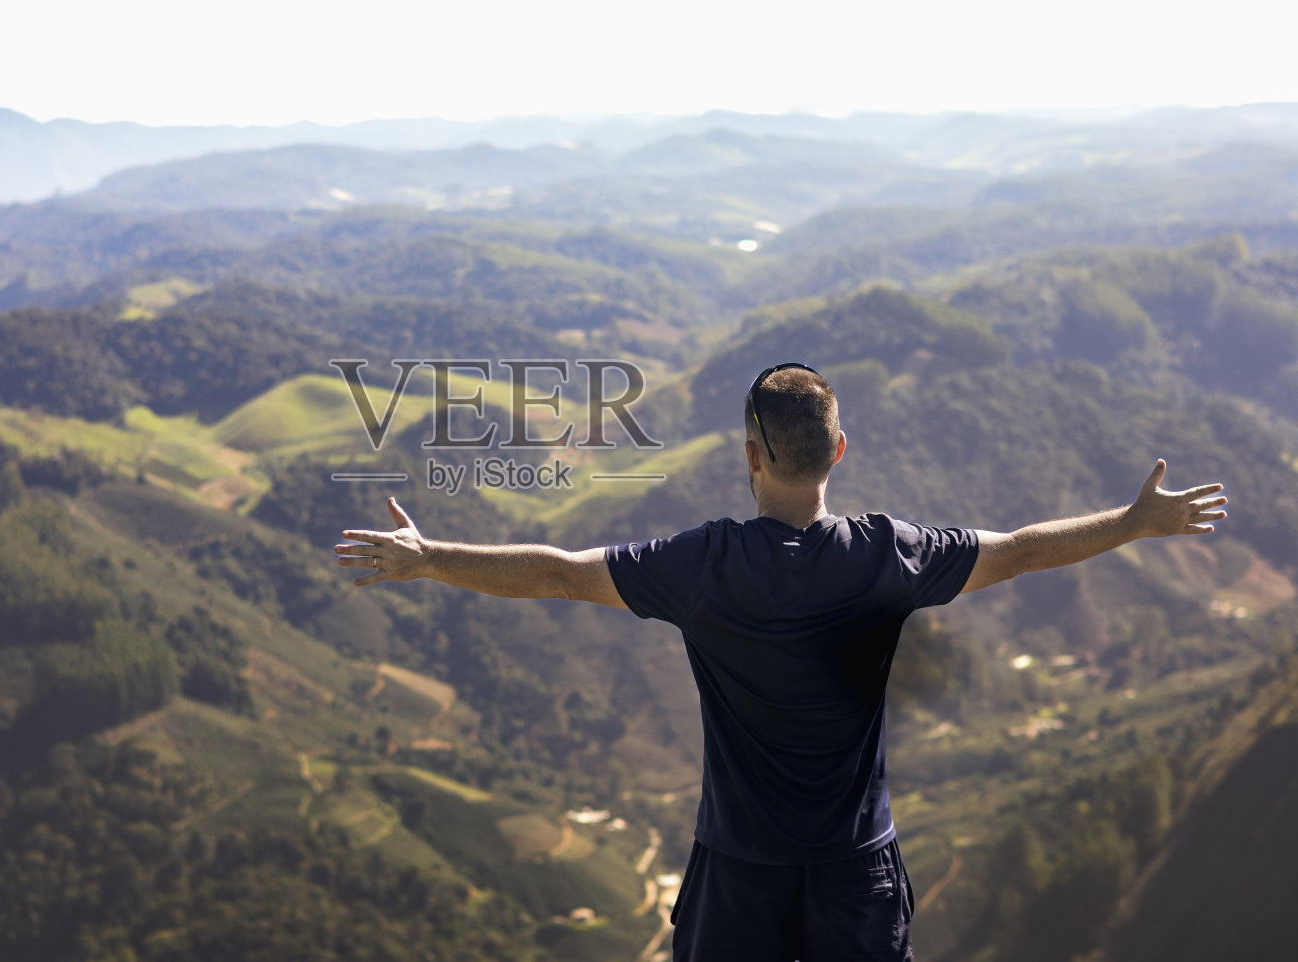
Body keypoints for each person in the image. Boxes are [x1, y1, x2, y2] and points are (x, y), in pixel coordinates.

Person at [334, 363, 1228, 961]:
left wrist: (430, 555)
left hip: (739, 872)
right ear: (837, 450)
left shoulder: (705, 563)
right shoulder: (889, 554)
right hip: (856, 871)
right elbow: (1022, 551)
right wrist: (1131, 522)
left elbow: (562, 576)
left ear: (752, 456)